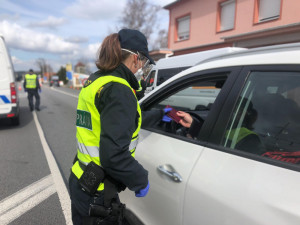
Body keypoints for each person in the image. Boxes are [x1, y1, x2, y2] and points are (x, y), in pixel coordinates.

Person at [69, 29, 170, 225]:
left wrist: (158, 115)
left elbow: (114, 121)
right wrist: (139, 178)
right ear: (135, 58)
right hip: (97, 192)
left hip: (81, 179)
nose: (142, 67)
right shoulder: (119, 90)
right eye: (144, 61)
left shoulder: (96, 81)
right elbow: (113, 155)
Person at [172, 99, 265, 154]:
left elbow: (217, 143)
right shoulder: (228, 127)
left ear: (246, 114)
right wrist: (193, 125)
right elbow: (215, 136)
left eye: (237, 110)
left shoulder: (251, 138)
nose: (232, 113)